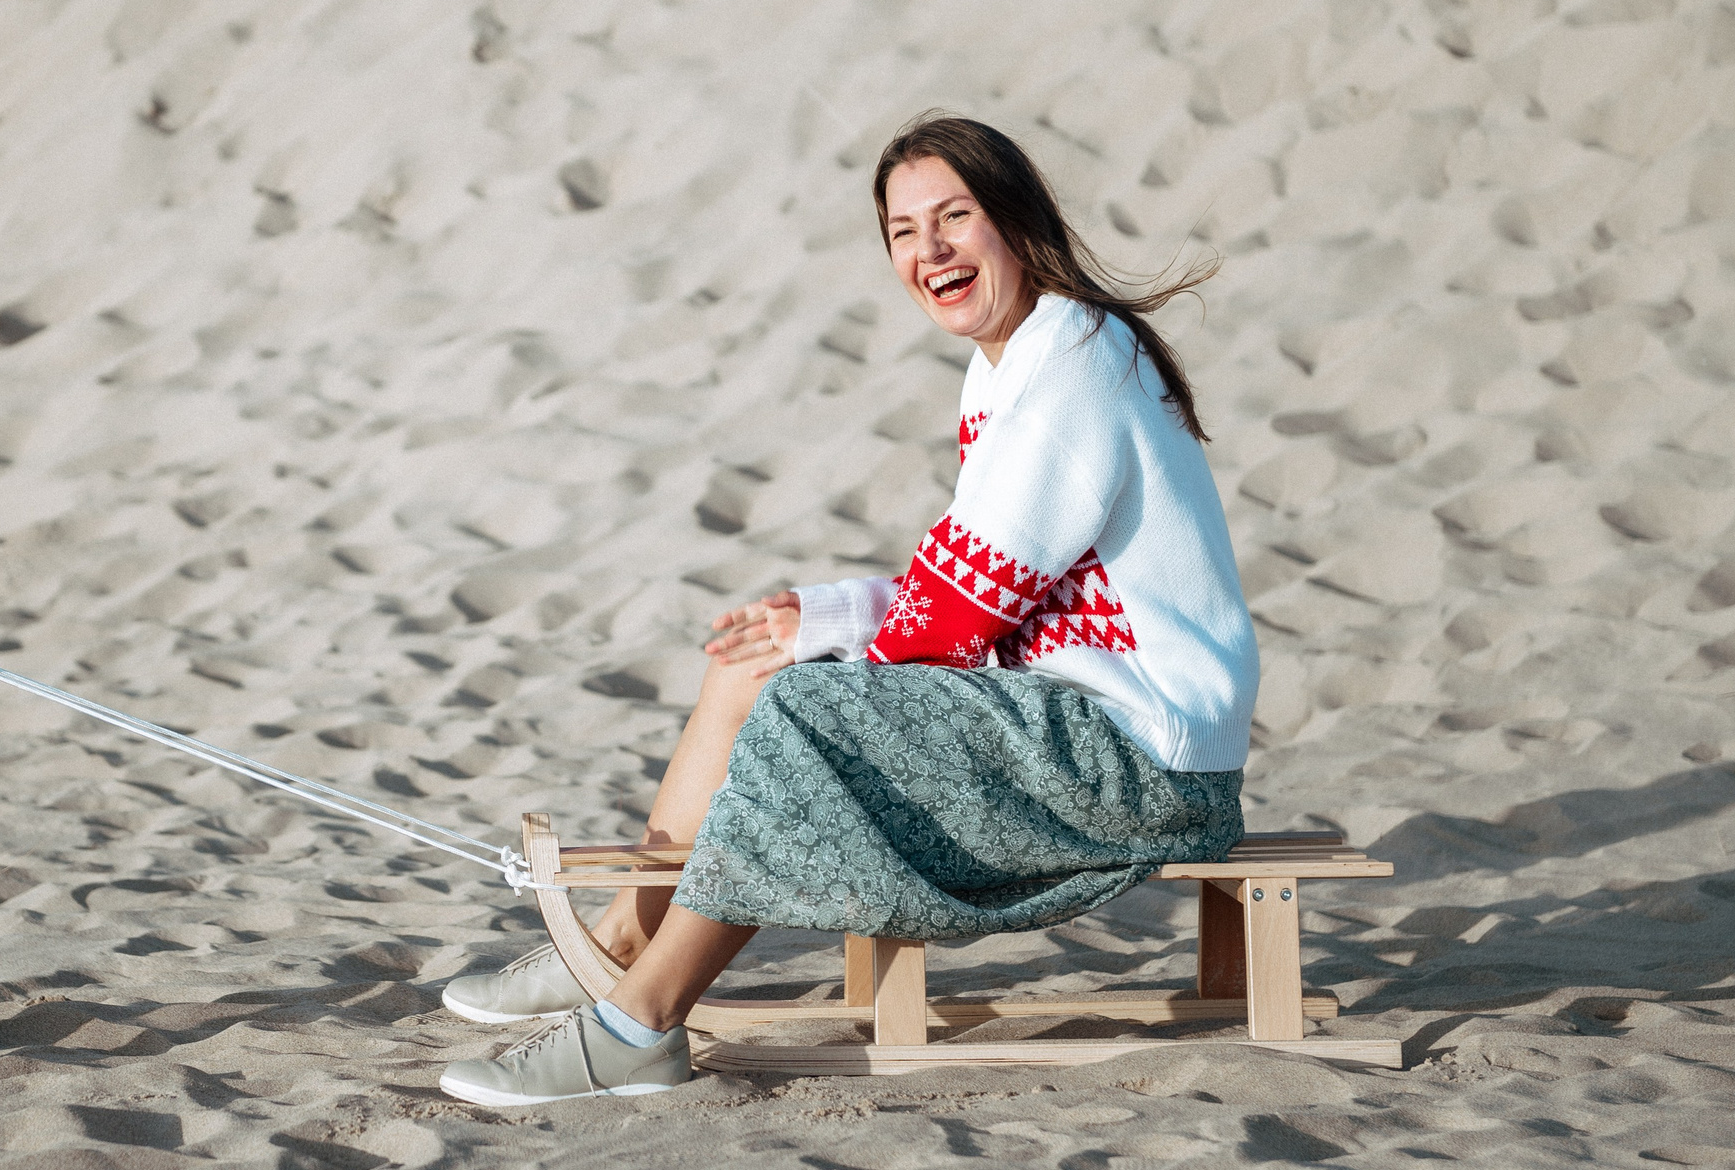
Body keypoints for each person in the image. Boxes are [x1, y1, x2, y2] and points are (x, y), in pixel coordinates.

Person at [438, 114, 1257, 1105]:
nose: (931, 250)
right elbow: (982, 584)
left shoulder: (1075, 358)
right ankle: (617, 937)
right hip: (1074, 724)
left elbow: (957, 619)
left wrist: (831, 636)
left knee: (803, 712)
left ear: (1015, 218)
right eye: (904, 231)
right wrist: (815, 617)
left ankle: (638, 1020)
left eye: (955, 217)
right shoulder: (1014, 359)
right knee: (752, 662)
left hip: (1140, 764)